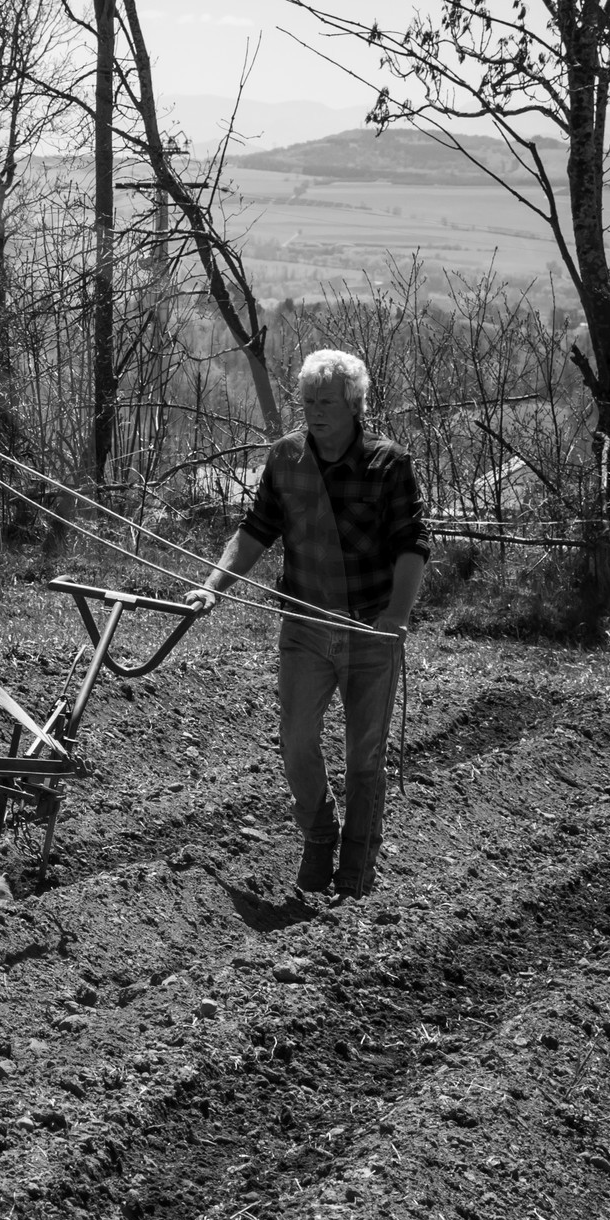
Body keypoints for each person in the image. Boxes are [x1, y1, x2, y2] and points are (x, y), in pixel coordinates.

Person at [185, 350, 430, 898]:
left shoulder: (389, 466)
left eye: (327, 402)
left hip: (370, 628)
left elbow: (411, 547)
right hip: (304, 625)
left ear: (354, 405)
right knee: (296, 737)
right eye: (309, 402)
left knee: (364, 755)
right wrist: (213, 586)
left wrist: (396, 616)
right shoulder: (286, 459)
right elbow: (254, 532)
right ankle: (320, 834)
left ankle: (357, 868)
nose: (315, 412)